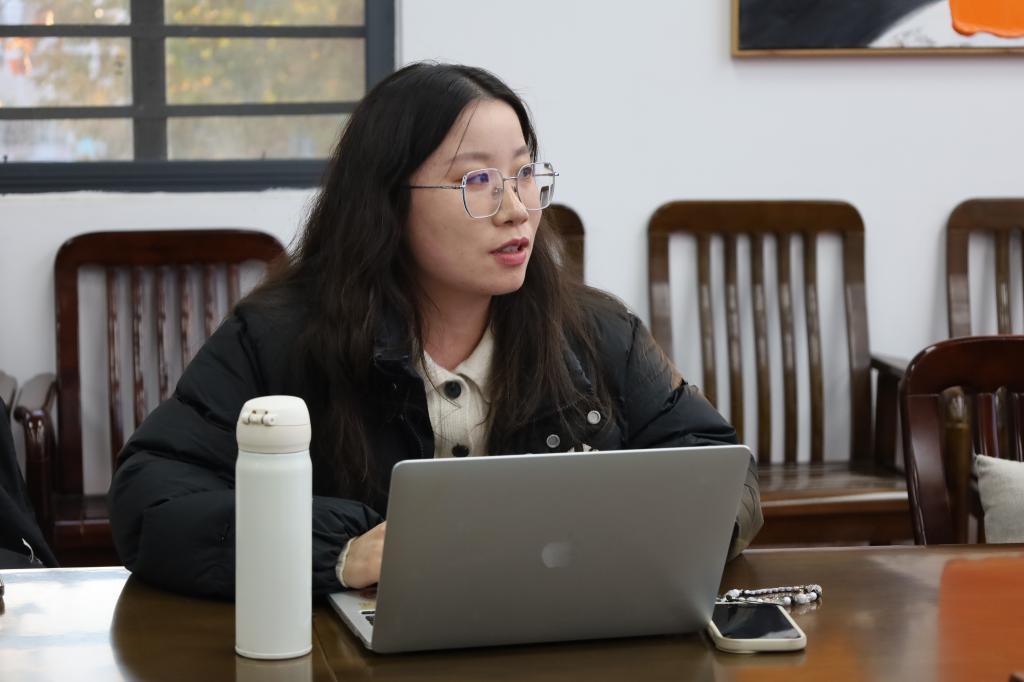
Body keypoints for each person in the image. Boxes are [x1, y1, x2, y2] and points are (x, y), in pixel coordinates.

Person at [109, 62, 763, 599]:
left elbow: (722, 470)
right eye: (477, 180)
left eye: (525, 174)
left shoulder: (594, 331)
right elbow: (151, 499)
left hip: (556, 636)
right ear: (388, 201)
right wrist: (339, 550)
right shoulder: (279, 336)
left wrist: (627, 537)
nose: (517, 209)